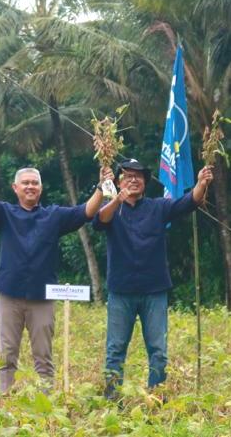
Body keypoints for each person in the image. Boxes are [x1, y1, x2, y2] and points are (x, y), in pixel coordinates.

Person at [0, 147, 107, 394]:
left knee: (43, 355)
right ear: (15, 188)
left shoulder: (54, 216)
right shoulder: (5, 213)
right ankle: (4, 401)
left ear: (40, 188)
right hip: (9, 295)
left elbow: (86, 211)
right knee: (6, 354)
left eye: (34, 183)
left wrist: (101, 187)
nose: (30, 186)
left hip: (42, 298)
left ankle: (46, 404)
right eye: (25, 183)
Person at [95, 158, 212, 399]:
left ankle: (157, 398)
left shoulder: (158, 207)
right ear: (118, 182)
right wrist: (116, 198)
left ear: (146, 183)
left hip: (155, 290)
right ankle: (111, 400)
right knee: (115, 350)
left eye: (139, 176)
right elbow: (99, 221)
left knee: (158, 350)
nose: (134, 179)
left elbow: (190, 201)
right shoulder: (112, 208)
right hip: (121, 291)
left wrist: (201, 183)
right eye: (127, 176)